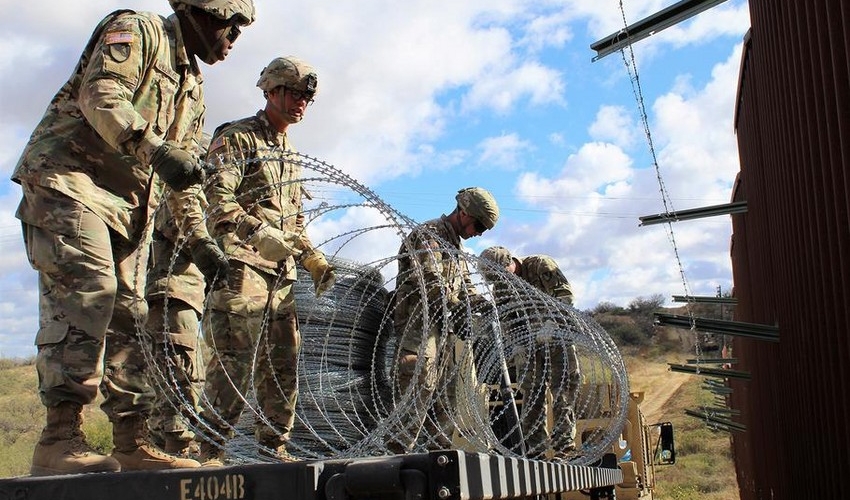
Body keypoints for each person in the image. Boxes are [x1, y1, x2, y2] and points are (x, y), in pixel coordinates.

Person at [11, 0, 254, 476]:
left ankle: (131, 441)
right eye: (231, 27)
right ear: (203, 12)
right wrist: (153, 148)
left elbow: (181, 179)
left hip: (125, 211)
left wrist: (200, 241)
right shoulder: (138, 31)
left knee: (130, 316)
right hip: (70, 182)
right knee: (90, 292)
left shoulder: (193, 90)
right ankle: (60, 437)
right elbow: (101, 95)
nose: (233, 41)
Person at [199, 56, 336, 465]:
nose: (301, 104)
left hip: (281, 277)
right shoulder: (238, 138)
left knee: (282, 368)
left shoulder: (290, 154)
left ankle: (274, 449)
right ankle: (209, 449)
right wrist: (255, 233)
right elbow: (215, 198)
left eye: (308, 98)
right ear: (271, 91)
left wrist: (312, 259)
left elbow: (294, 220)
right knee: (233, 365)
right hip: (242, 270)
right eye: (295, 93)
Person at [389, 187, 500, 453]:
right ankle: (397, 456)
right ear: (463, 213)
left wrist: (486, 307)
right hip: (419, 329)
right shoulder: (429, 236)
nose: (479, 233)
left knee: (446, 399)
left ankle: (436, 458)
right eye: (479, 225)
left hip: (444, 331)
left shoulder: (456, 248)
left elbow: (466, 289)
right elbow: (430, 281)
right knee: (417, 390)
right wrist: (458, 307)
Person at [479, 246, 581, 460]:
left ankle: (565, 449)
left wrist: (551, 324)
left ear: (509, 264)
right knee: (532, 395)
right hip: (527, 343)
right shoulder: (501, 286)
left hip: (557, 338)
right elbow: (506, 318)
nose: (499, 282)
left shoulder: (540, 265)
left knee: (562, 391)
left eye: (500, 276)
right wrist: (516, 344)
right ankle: (537, 452)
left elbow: (566, 295)